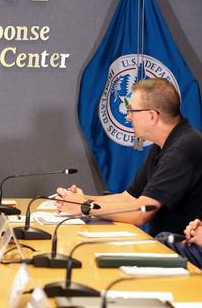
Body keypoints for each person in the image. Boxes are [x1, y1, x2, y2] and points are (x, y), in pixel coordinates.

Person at [56, 78, 202, 236]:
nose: (128, 117)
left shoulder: (182, 148)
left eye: (131, 110)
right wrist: (80, 199)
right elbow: (130, 198)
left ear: (152, 116)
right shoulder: (165, 143)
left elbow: (141, 212)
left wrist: (84, 206)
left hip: (182, 252)